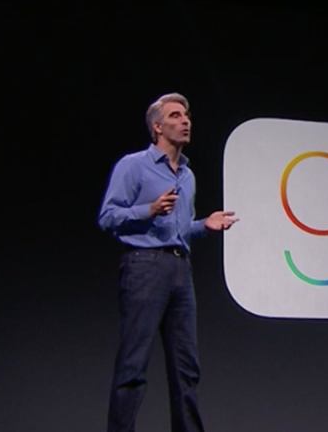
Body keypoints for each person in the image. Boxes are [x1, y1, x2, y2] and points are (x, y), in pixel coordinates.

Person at [98, 92, 238, 432]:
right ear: (157, 127)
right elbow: (108, 216)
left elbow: (179, 229)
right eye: (175, 116)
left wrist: (203, 225)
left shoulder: (187, 176)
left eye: (186, 115)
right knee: (133, 365)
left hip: (180, 270)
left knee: (186, 368)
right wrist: (148, 209)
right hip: (144, 266)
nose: (185, 121)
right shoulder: (134, 165)